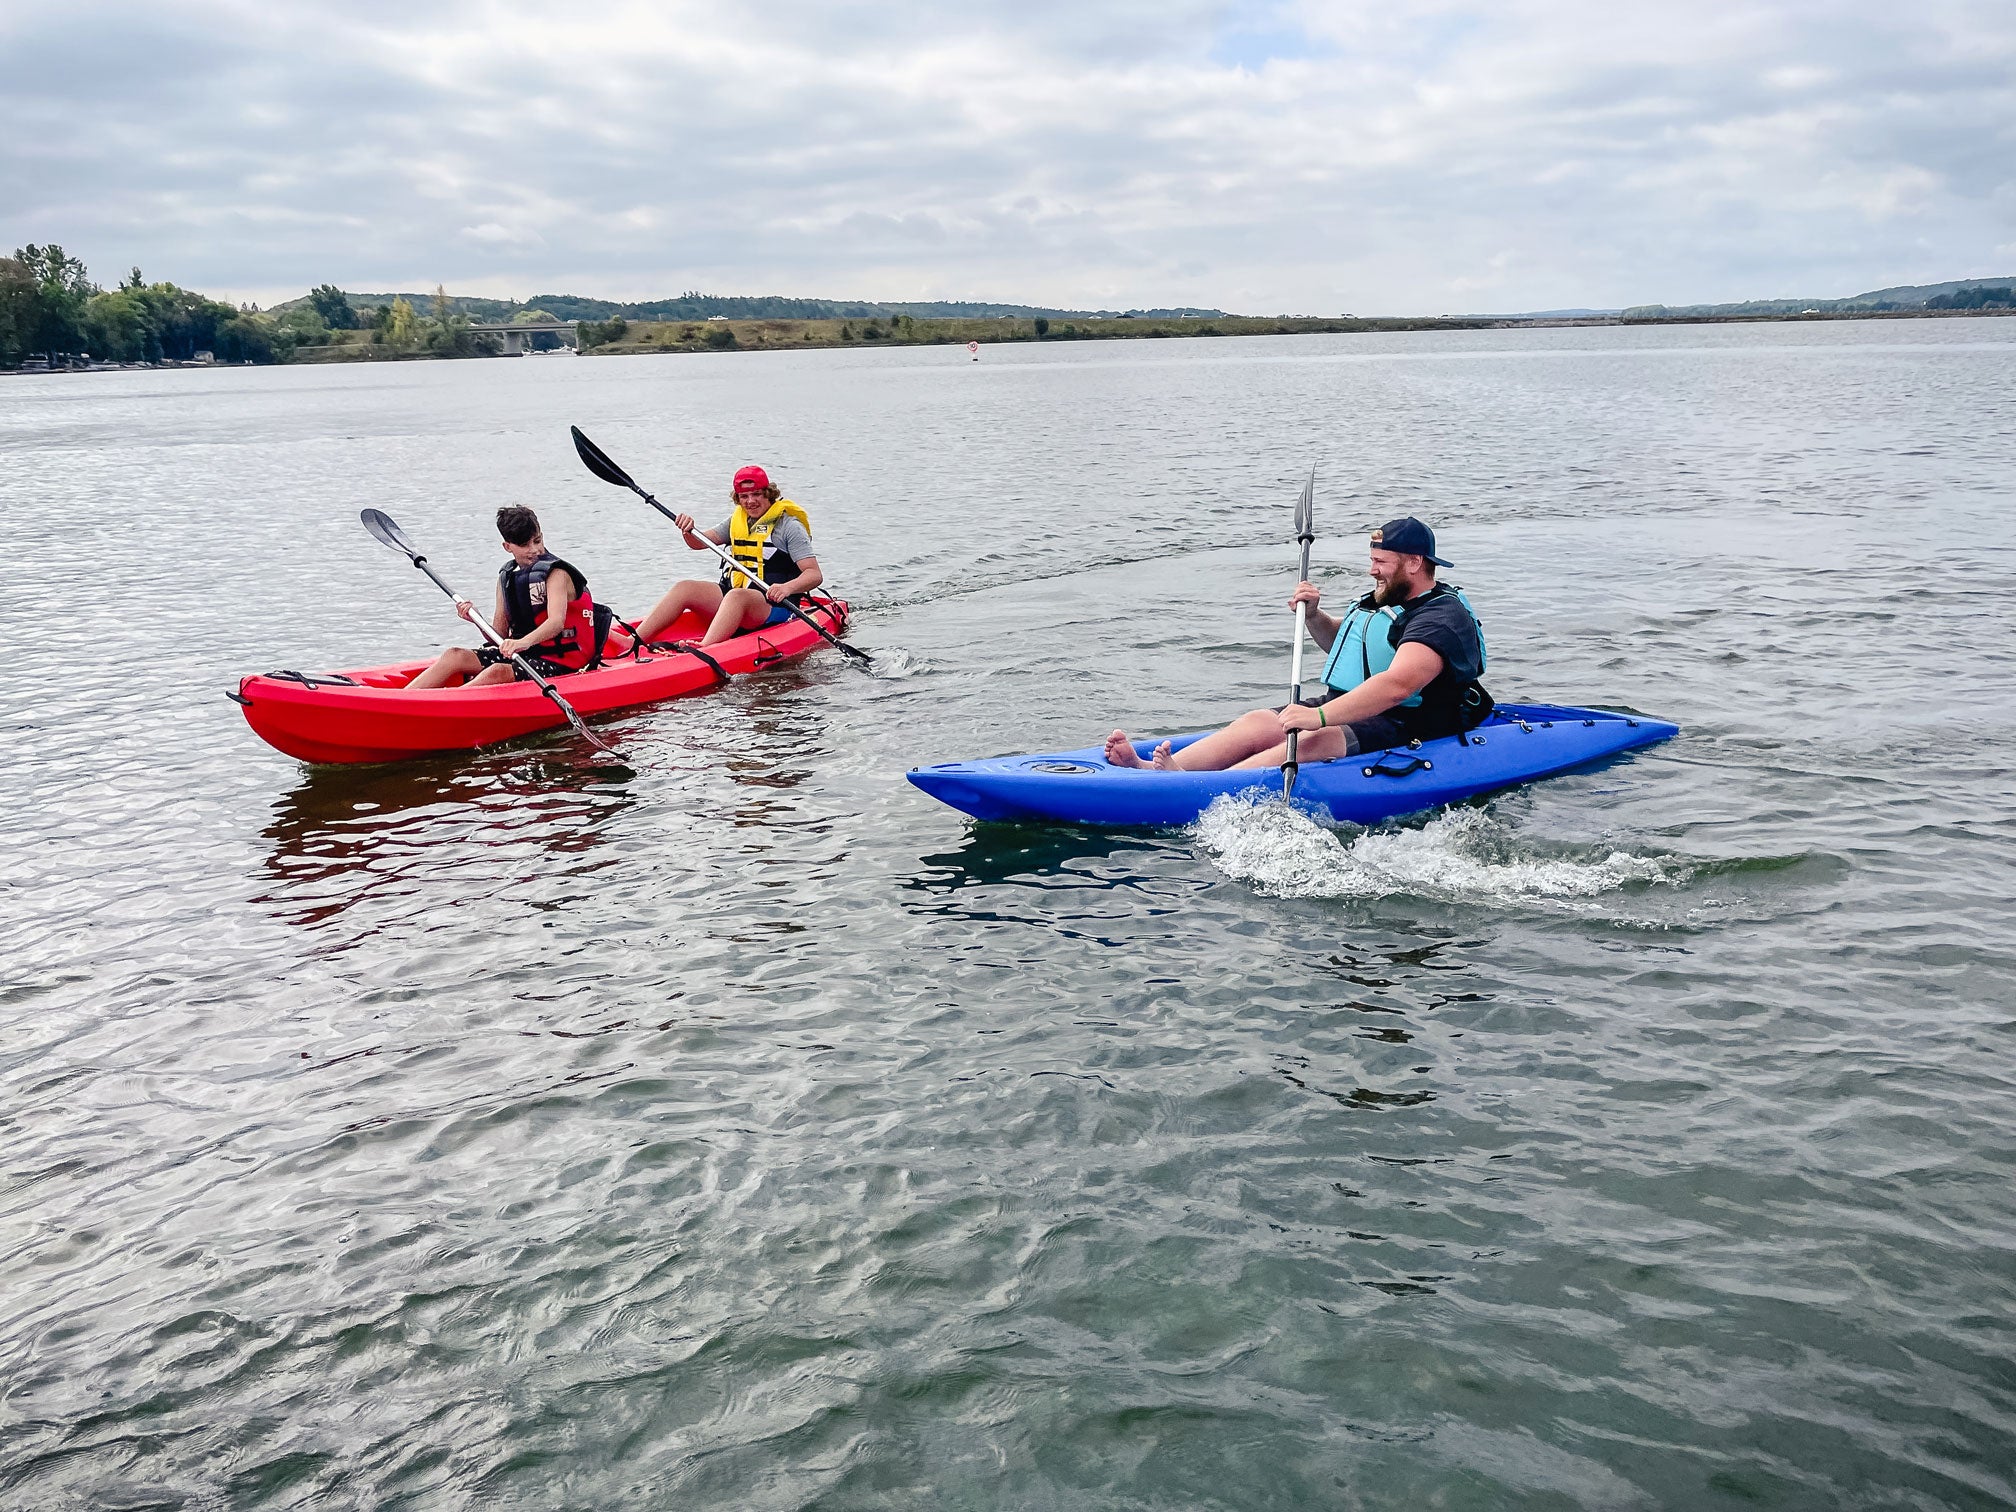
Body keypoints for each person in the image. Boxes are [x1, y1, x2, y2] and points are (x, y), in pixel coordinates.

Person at [1105, 516, 1490, 770]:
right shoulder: (1390, 599)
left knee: (1312, 739)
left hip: (1412, 720)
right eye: (1372, 560)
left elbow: (1397, 686)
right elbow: (1349, 647)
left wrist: (1317, 717)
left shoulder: (1441, 618)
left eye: (1381, 562)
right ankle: (1154, 770)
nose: (1372, 569)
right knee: (1261, 721)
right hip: (1356, 705)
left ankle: (1193, 788)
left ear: (1413, 563)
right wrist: (1314, 617)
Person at [407, 505, 599, 689]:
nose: (534, 549)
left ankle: (445, 705)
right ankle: (405, 699)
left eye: (537, 540)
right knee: (454, 655)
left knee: (496, 672)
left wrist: (521, 643)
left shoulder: (556, 573)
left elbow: (556, 623)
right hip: (525, 655)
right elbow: (498, 637)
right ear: (507, 546)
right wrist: (477, 619)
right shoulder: (507, 578)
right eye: (524, 545)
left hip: (563, 662)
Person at [633, 465, 824, 647]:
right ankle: (634, 641)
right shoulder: (737, 521)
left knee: (737, 596)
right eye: (744, 496)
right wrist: (688, 530)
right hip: (735, 599)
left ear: (768, 493)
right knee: (685, 588)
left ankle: (705, 648)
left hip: (774, 606)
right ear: (738, 498)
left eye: (756, 494)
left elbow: (814, 574)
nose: (750, 501)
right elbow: (699, 543)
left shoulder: (789, 527)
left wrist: (786, 588)